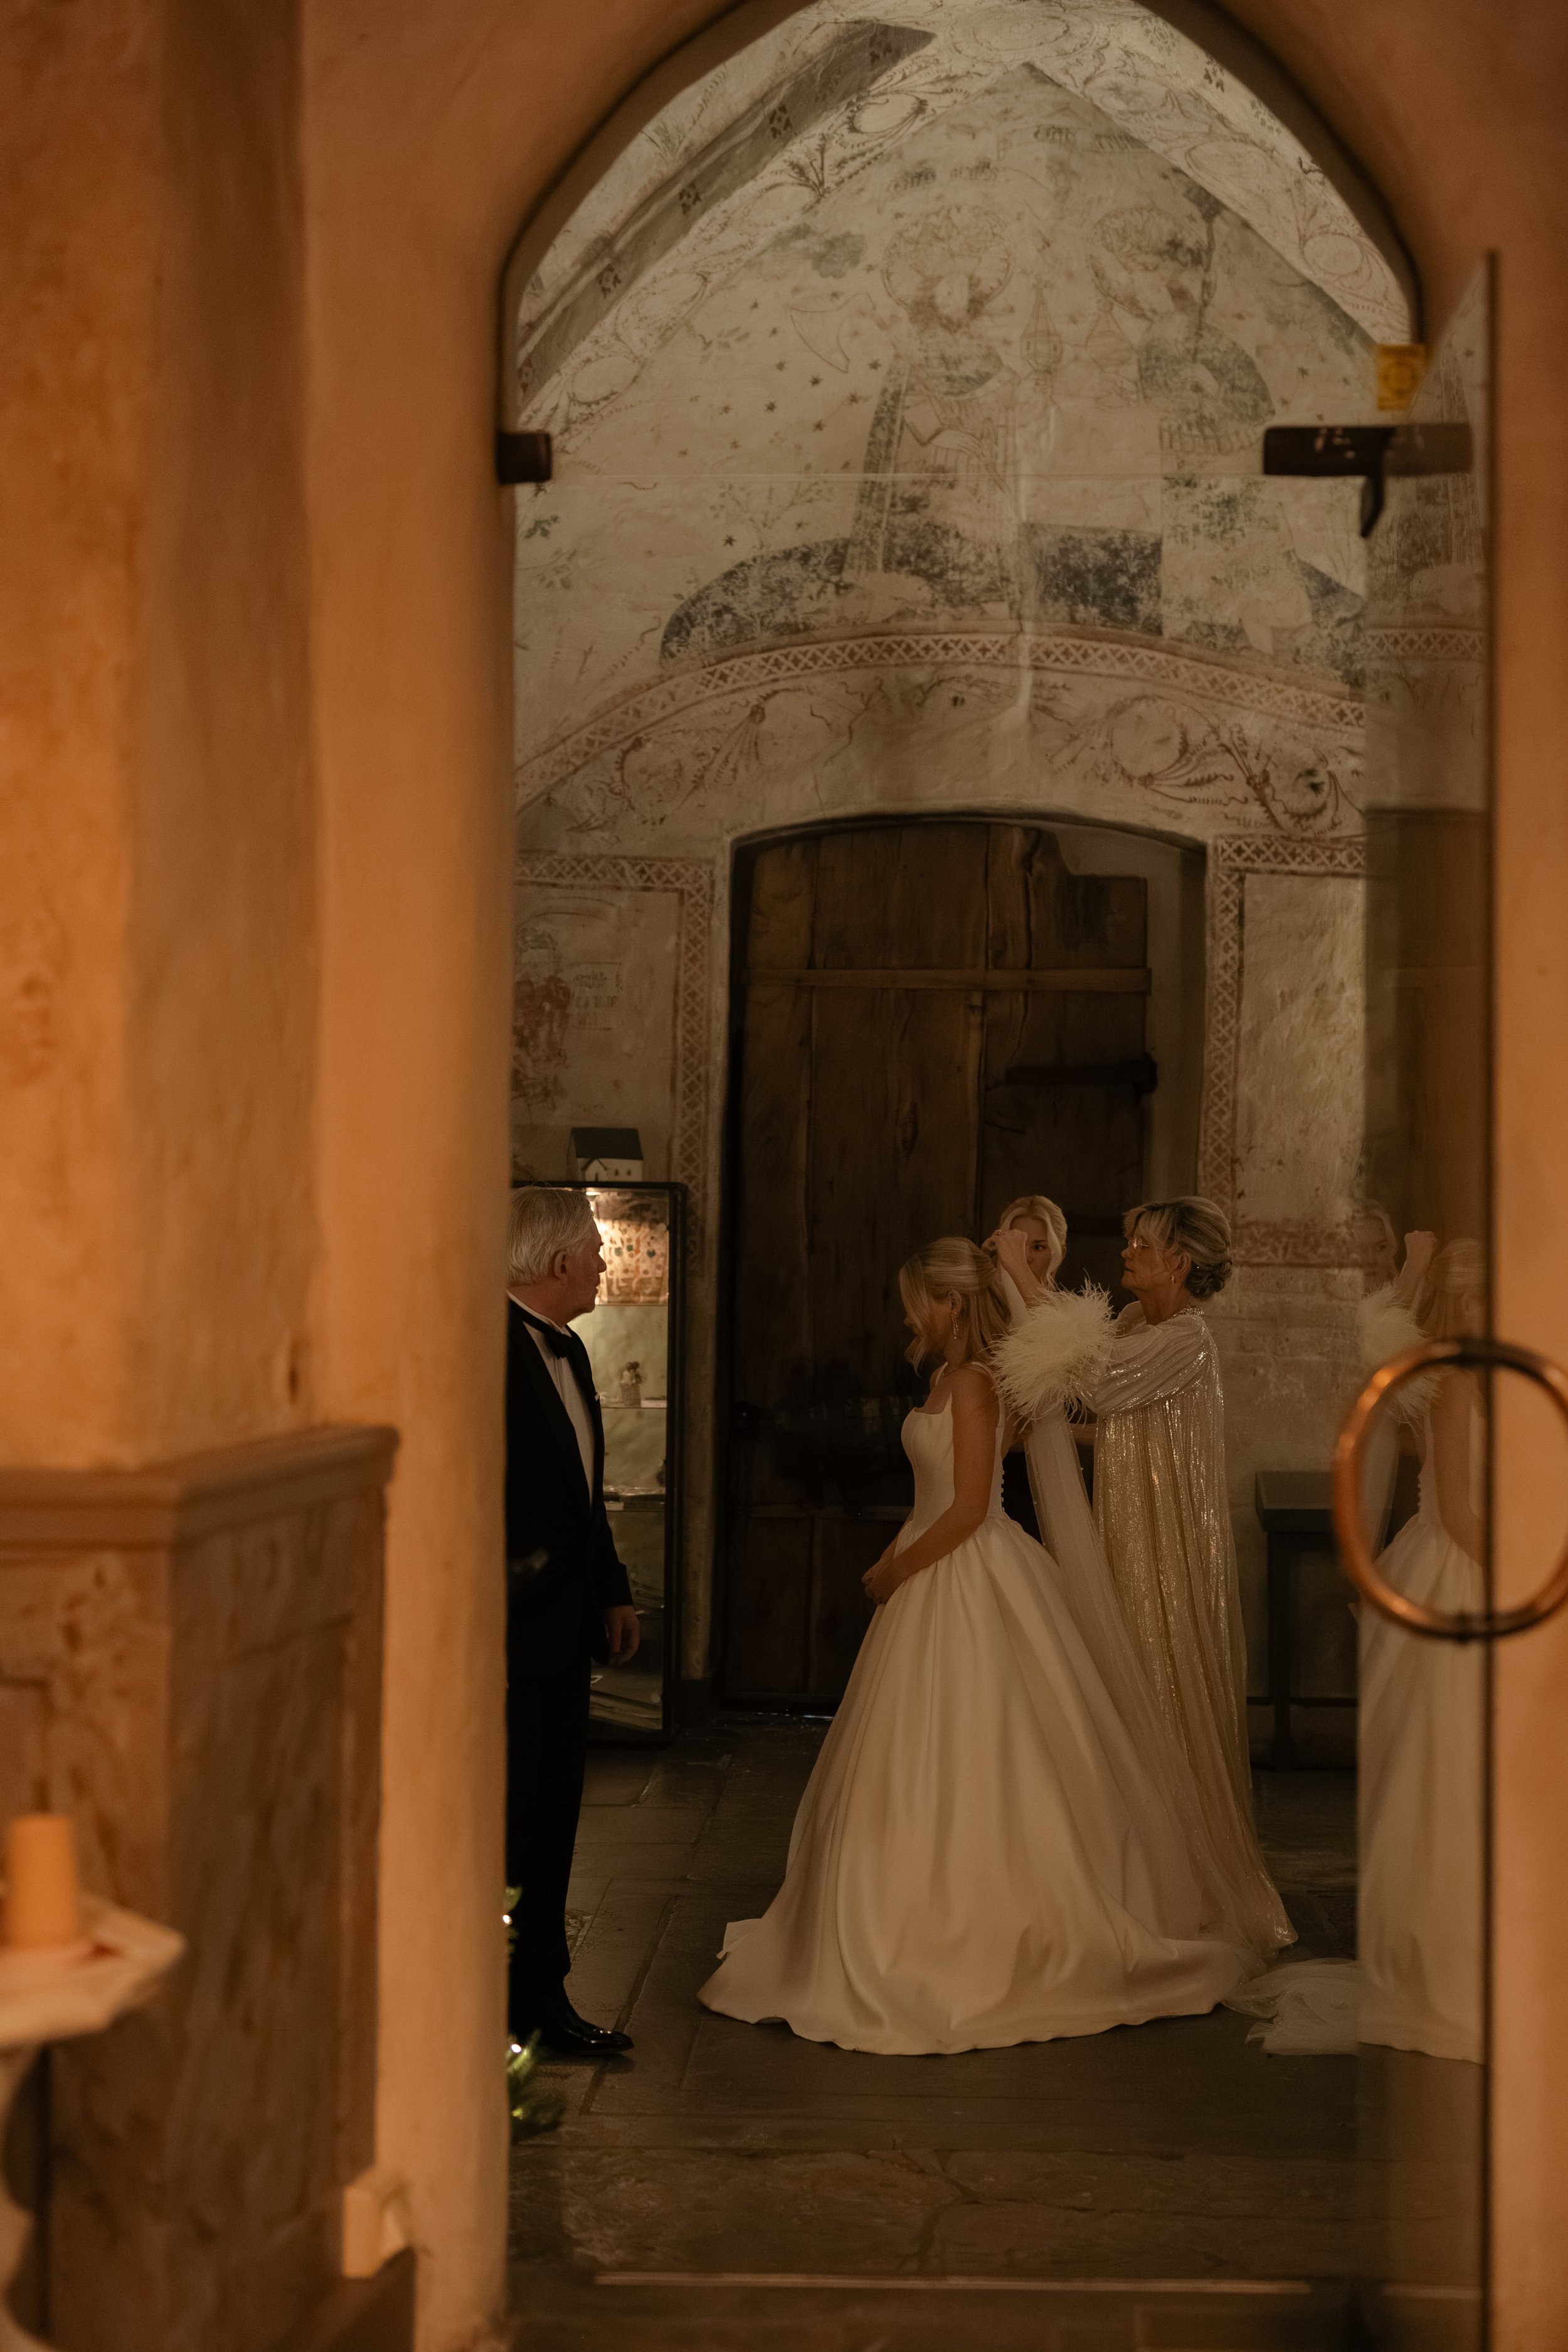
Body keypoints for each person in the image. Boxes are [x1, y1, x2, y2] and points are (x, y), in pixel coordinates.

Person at [697, 1237, 1251, 2056]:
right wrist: (897, 1553)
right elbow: (933, 1499)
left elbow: (965, 1510)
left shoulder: (976, 1384)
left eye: (917, 1300)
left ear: (951, 1303)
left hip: (968, 1569)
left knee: (985, 1742)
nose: (908, 1316)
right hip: (931, 1568)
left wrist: (899, 1567)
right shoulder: (944, 1379)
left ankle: (981, 1921)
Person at [987, 1195, 1291, 1966]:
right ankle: (1128, 1862)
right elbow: (1114, 1415)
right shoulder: (1132, 1323)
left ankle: (1181, 1875)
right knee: (1113, 1681)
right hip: (1125, 1530)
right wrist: (1046, 1433)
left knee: (1156, 1679)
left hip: (1167, 1549)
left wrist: (1025, 1284)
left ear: (1179, 1263)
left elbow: (1093, 1381)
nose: (1125, 1253)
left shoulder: (1185, 1339)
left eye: (1141, 1245)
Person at [506, 1186, 641, 2057]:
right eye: (595, 1248)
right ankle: (503, 2000)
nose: (602, 1262)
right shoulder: (479, 1350)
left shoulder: (574, 1351)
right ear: (559, 1261)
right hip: (509, 1635)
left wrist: (611, 1589)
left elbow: (586, 1495)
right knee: (511, 1821)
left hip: (562, 1632)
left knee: (553, 1813)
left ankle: (540, 1995)